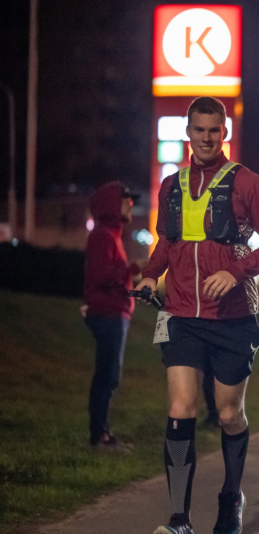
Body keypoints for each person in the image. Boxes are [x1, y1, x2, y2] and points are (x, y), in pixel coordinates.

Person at [134, 96, 259, 534]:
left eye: (213, 130)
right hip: (181, 313)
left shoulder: (247, 182)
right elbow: (166, 241)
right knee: (180, 409)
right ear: (188, 134)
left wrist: (236, 272)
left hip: (233, 317)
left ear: (224, 133)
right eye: (198, 130)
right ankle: (179, 519)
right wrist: (150, 276)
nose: (205, 137)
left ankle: (231, 497)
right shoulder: (171, 184)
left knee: (227, 415)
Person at [83, 181, 141, 452]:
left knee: (110, 376)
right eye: (125, 200)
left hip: (115, 313)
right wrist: (131, 270)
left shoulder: (112, 235)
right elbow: (101, 276)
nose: (130, 204)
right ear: (111, 204)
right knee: (107, 376)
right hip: (107, 313)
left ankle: (102, 433)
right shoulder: (103, 236)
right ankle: (99, 437)